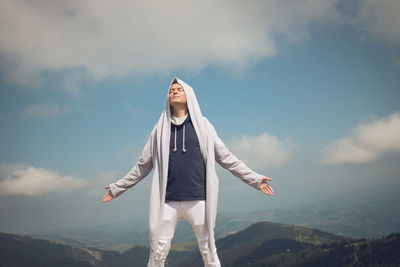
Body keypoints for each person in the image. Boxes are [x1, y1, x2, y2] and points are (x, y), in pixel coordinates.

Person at [102, 77, 274, 267]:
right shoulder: (159, 130)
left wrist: (255, 180)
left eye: (179, 89)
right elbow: (142, 166)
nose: (173, 92)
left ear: (189, 96)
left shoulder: (204, 127)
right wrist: (118, 187)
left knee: (209, 252)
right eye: (171, 90)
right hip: (167, 202)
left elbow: (227, 158)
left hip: (198, 199)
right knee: (157, 254)